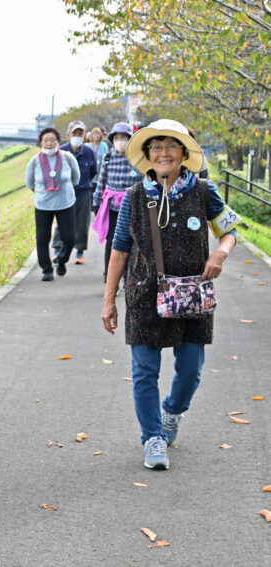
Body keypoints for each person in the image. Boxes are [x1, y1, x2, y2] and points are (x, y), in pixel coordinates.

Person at [101, 119, 238, 470]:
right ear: (148, 155)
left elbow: (229, 230)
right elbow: (119, 249)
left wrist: (221, 252)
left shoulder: (204, 192)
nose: (163, 153)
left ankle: (172, 412)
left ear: (183, 153)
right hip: (144, 295)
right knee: (145, 371)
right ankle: (153, 437)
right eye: (156, 146)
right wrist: (109, 300)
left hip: (193, 295)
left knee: (191, 370)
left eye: (171, 146)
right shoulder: (134, 196)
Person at [25, 127, 80, 281]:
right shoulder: (34, 161)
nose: (49, 143)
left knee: (69, 238)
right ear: (41, 142)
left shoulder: (68, 158)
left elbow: (76, 178)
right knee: (42, 238)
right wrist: (43, 195)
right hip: (43, 205)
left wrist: (64, 192)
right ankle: (47, 269)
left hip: (66, 203)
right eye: (45, 140)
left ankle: (62, 260)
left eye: (52, 140)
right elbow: (29, 183)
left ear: (58, 141)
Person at [92, 122, 143, 282]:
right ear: (113, 140)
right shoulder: (109, 157)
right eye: (117, 138)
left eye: (124, 138)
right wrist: (96, 202)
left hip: (134, 208)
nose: (120, 141)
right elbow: (102, 181)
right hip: (113, 207)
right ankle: (110, 276)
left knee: (133, 242)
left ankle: (128, 276)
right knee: (112, 242)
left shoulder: (138, 158)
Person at [51, 121, 98, 264]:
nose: (77, 136)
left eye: (80, 134)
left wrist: (84, 184)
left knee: (83, 223)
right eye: (74, 134)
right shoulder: (61, 151)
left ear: (85, 136)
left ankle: (79, 252)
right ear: (68, 135)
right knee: (62, 221)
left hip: (84, 191)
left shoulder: (89, 152)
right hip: (65, 193)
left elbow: (93, 171)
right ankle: (58, 249)